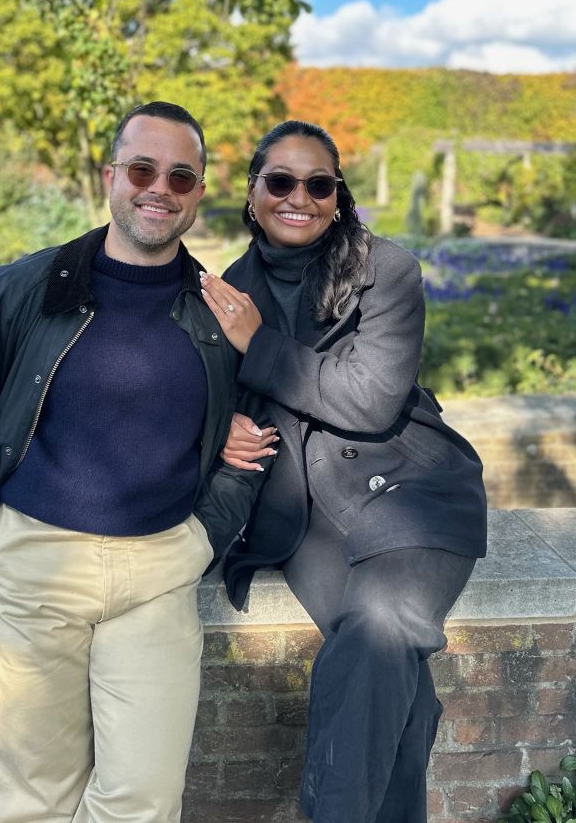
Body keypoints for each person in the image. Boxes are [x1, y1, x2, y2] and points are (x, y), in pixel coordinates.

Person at [0, 102, 263, 823]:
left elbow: (251, 439)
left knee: (144, 800)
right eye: (142, 168)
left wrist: (204, 538)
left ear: (198, 192)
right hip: (28, 565)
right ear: (110, 176)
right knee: (28, 801)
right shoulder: (20, 290)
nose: (159, 188)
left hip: (159, 571)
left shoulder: (217, 314)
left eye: (180, 176)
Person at [199, 120, 488, 823]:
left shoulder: (386, 270)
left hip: (410, 495)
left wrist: (258, 347)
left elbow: (371, 397)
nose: (298, 197)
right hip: (303, 515)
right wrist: (222, 428)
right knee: (390, 683)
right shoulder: (233, 288)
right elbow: (204, 394)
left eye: (318, 184)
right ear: (253, 191)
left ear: (337, 195)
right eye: (281, 181)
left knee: (382, 626)